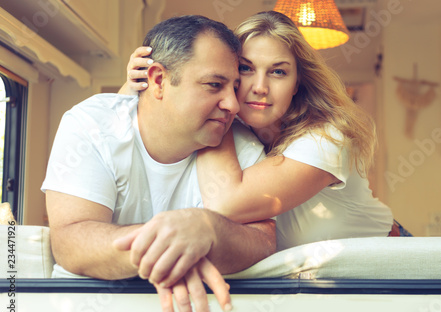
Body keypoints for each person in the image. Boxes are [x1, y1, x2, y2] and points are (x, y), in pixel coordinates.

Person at [42, 15, 276, 312]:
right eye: (214, 85)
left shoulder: (244, 147)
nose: (233, 104)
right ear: (158, 81)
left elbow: (263, 243)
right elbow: (69, 240)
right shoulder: (91, 125)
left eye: (235, 87)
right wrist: (174, 248)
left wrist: (207, 229)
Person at [124, 11, 409, 252]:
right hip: (312, 279)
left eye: (278, 72)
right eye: (246, 69)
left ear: (297, 83)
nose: (259, 86)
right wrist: (136, 85)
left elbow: (225, 203)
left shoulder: (326, 138)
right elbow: (134, 126)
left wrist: (217, 114)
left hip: (387, 260)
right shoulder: (242, 131)